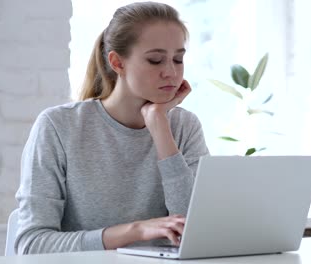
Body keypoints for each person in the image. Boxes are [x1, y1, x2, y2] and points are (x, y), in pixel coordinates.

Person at [15, 1, 209, 254]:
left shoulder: (184, 126)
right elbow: (31, 245)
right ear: (117, 62)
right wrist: (135, 231)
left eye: (178, 59)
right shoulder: (58, 126)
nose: (171, 72)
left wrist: (160, 126)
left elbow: (195, 233)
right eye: (155, 60)